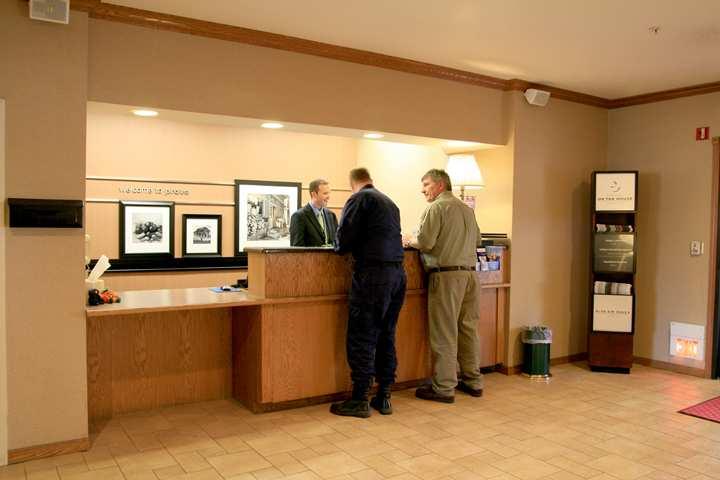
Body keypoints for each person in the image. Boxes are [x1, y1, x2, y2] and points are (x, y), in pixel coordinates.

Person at [403, 168, 483, 403]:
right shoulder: (467, 210)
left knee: (445, 332)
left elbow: (426, 242)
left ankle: (444, 387)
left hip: (446, 277)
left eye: (426, 184)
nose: (423, 189)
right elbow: (477, 240)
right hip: (470, 275)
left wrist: (409, 240)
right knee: (468, 330)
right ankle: (473, 381)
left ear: (440, 186)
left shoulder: (436, 207)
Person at [331, 168, 406, 418]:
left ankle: (360, 398)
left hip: (372, 276)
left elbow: (343, 243)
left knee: (362, 335)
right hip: (397, 275)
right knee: (387, 334)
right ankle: (384, 396)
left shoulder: (359, 199)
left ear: (352, 183)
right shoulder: (389, 202)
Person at [290, 178, 338, 247]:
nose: (328, 197)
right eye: (325, 193)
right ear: (314, 194)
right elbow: (297, 250)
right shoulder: (299, 216)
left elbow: (336, 241)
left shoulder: (331, 215)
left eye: (329, 193)